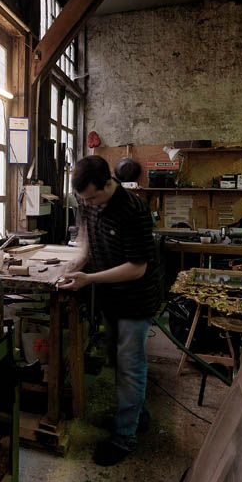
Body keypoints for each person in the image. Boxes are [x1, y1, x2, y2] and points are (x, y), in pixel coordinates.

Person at [60, 155, 160, 466]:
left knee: (130, 365)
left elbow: (137, 268)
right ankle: (135, 415)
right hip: (109, 296)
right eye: (84, 199)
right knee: (117, 360)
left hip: (135, 298)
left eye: (93, 197)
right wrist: (76, 263)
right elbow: (86, 235)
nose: (91, 204)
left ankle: (124, 438)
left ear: (108, 183)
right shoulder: (89, 199)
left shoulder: (133, 209)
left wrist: (88, 278)